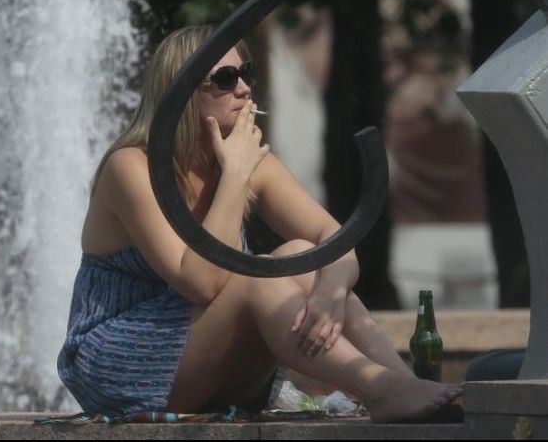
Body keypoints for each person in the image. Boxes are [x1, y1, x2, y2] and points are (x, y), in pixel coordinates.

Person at [57, 25, 463, 422]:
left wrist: (330, 292)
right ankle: (379, 388)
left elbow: (335, 241)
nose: (245, 89)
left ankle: (400, 382)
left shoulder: (249, 162)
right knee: (258, 277)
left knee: (303, 255)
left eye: (246, 72)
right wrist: (234, 177)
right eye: (225, 78)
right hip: (120, 364)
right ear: (180, 93)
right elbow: (200, 283)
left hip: (204, 360)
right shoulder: (131, 167)